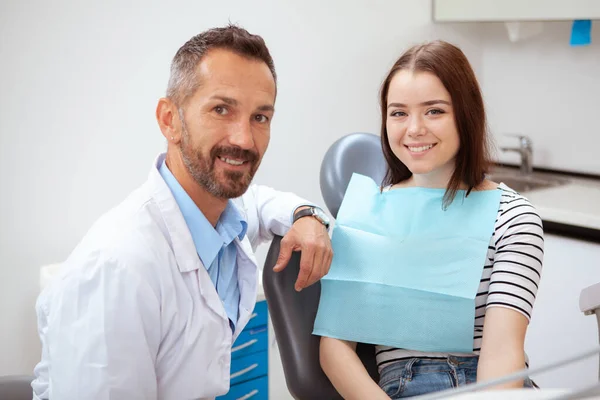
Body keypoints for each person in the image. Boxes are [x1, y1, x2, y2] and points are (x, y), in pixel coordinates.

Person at [32, 25, 333, 400]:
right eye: (221, 109)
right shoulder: (118, 271)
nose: (244, 139)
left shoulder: (221, 213)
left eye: (260, 117)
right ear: (169, 120)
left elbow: (262, 201)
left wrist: (307, 215)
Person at [317, 40, 544, 399]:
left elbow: (502, 354)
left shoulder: (513, 216)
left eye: (434, 111)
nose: (415, 129)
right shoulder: (366, 214)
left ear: (466, 114)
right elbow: (335, 350)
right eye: (398, 113)